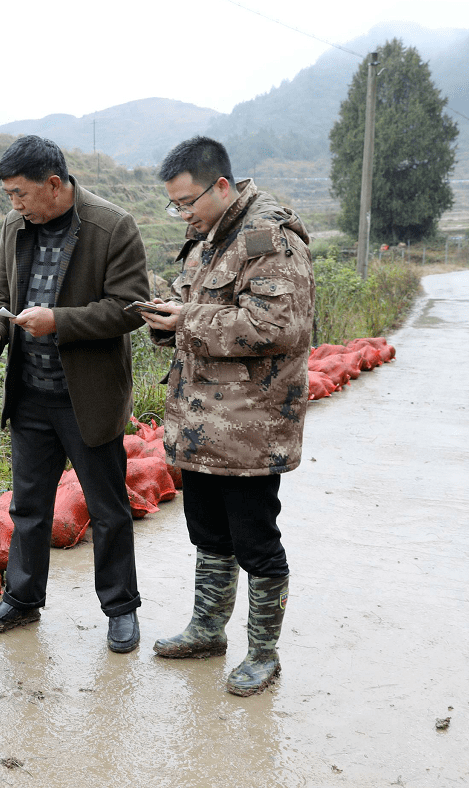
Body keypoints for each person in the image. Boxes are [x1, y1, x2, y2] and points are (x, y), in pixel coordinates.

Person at [140, 135, 315, 696]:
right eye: (175, 204)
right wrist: (163, 315)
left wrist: (184, 319)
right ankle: (208, 629)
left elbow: (277, 328)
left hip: (250, 425)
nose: (182, 214)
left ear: (221, 185)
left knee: (255, 540)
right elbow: (200, 310)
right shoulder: (208, 237)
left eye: (187, 201)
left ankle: (264, 654)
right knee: (209, 534)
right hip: (200, 421)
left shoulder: (269, 238)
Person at [0, 135, 149, 653]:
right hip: (31, 395)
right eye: (8, 195)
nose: (14, 204)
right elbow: (2, 297)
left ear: (54, 184)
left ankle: (120, 608)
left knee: (107, 508)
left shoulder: (111, 226)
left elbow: (130, 308)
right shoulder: (14, 228)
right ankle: (23, 599)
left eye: (20, 194)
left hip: (87, 398)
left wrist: (59, 322)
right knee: (28, 507)